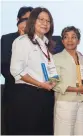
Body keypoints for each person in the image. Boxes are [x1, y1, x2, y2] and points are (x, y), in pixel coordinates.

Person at [8, 7, 56, 134]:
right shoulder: (22, 41)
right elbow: (16, 71)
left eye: (48, 21)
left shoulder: (47, 44)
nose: (45, 23)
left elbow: (50, 69)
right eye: (41, 19)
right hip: (28, 96)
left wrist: (53, 81)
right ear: (32, 20)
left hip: (45, 95)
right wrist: (41, 84)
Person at [52, 26, 83, 135]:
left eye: (73, 37)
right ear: (62, 40)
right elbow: (53, 83)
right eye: (66, 37)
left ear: (78, 40)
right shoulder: (55, 58)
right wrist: (75, 89)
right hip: (65, 102)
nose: (70, 40)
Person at [1, 6, 33, 134]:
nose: (28, 22)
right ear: (18, 20)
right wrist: (24, 79)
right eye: (25, 19)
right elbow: (4, 66)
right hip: (14, 93)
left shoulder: (39, 40)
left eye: (31, 19)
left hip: (35, 94)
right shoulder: (7, 39)